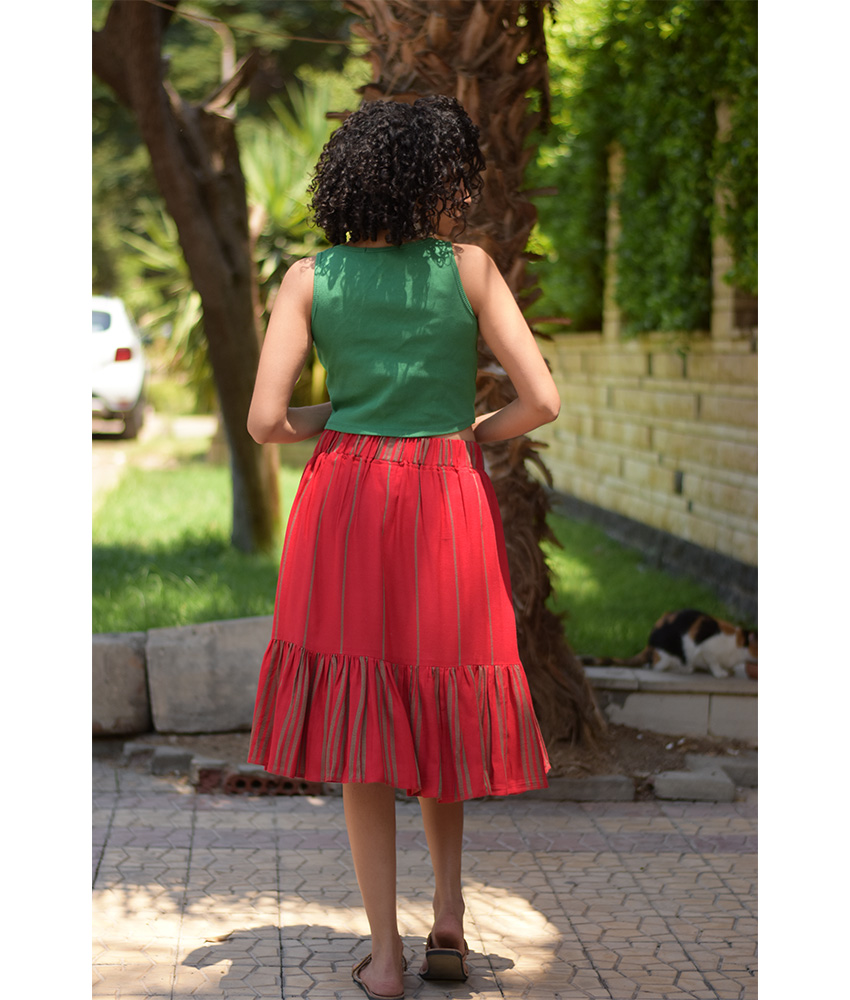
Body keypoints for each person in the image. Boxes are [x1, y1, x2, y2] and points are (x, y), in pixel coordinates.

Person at [245, 96, 560, 1000]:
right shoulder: (469, 271)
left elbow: (267, 421)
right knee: (439, 703)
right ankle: (450, 921)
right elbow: (543, 400)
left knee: (362, 726)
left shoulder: (310, 278)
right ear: (437, 181)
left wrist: (336, 416)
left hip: (343, 501)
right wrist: (471, 430)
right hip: (443, 497)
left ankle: (384, 959)